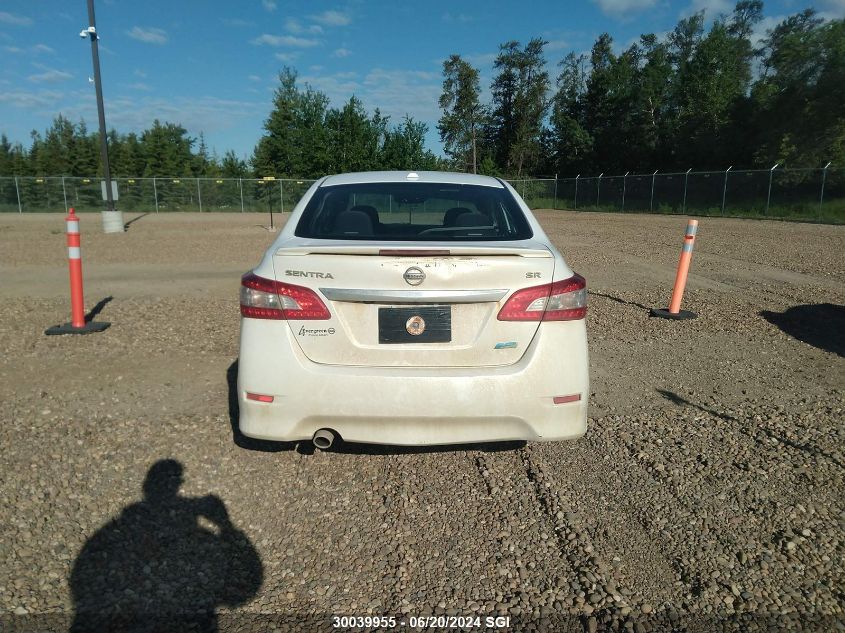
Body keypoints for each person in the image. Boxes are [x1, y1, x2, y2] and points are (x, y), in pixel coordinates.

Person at [70, 459, 262, 632]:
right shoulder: (129, 522)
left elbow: (85, 574)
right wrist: (226, 525)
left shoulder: (119, 526)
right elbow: (245, 587)